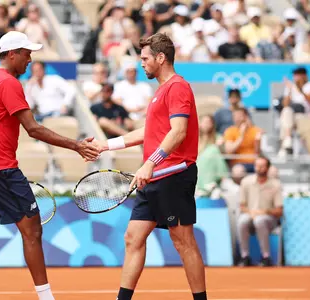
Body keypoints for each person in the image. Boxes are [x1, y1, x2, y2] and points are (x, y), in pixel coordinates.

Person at [0, 31, 100, 300]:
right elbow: (32, 128)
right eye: (27, 53)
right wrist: (76, 145)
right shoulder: (7, 82)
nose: (30, 59)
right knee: (32, 229)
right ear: (12, 54)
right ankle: (46, 298)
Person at [91, 32, 207, 300]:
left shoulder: (178, 87)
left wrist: (150, 163)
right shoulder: (162, 91)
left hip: (174, 174)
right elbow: (148, 131)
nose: (141, 63)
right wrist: (105, 145)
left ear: (160, 57)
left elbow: (178, 132)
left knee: (183, 241)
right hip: (154, 177)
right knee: (133, 237)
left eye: (144, 58)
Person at [237, 156, 283, 267]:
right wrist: (251, 212)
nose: (259, 168)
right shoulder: (246, 182)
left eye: (262, 166)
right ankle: (245, 256)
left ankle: (266, 257)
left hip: (269, 219)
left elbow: (279, 210)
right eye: (257, 166)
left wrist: (265, 211)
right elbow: (241, 206)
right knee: (242, 221)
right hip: (250, 215)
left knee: (259, 220)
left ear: (267, 168)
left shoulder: (276, 185)